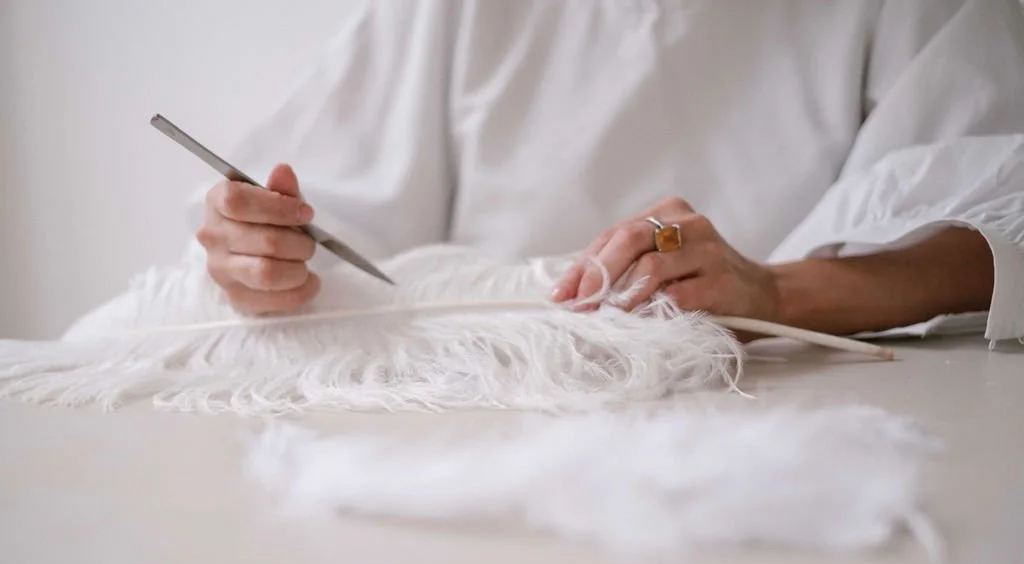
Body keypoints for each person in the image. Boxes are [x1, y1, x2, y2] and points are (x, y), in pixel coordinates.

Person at [190, 0, 1024, 342]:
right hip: (478, 425)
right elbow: (332, 217)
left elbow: (991, 219)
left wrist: (772, 292)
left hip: (804, 412)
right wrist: (260, 251)